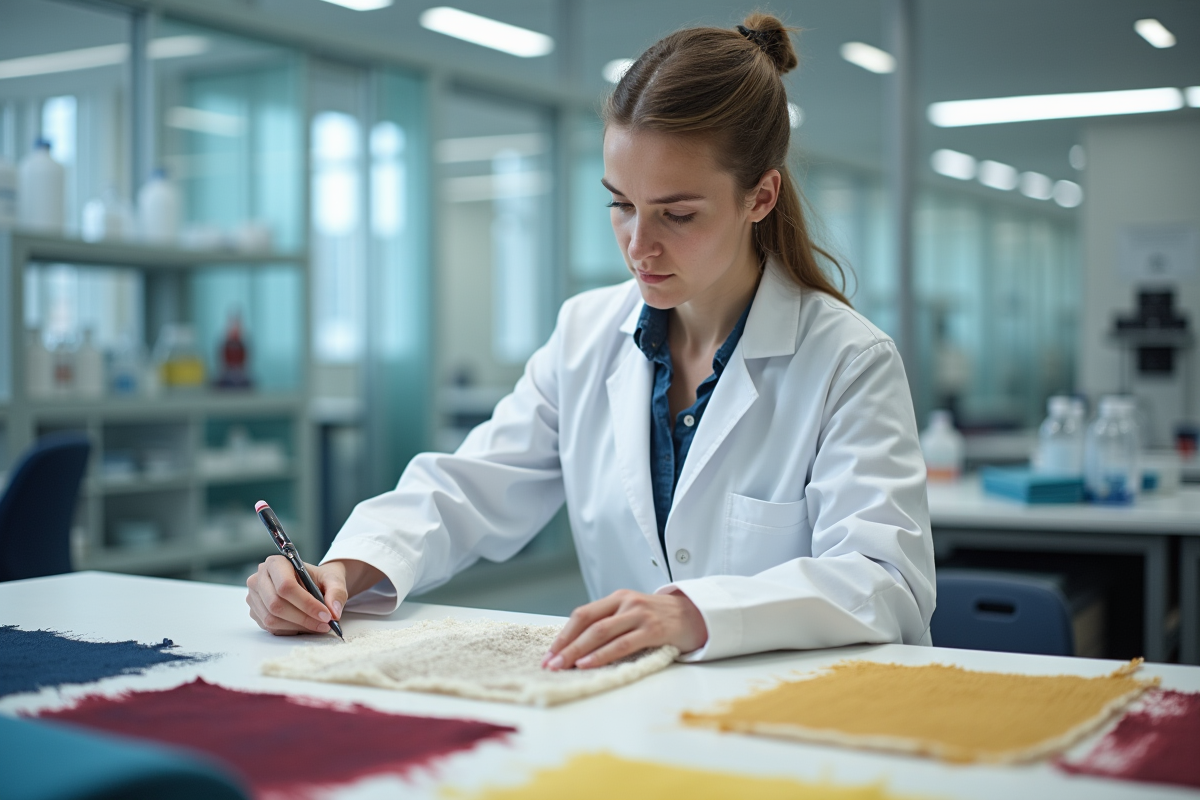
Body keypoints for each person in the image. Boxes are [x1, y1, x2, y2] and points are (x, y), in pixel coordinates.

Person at [246, 13, 935, 669]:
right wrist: (341, 569)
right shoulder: (586, 333)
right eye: (621, 204)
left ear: (760, 198)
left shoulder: (849, 360)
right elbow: (470, 489)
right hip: (632, 709)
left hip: (802, 726)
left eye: (678, 213)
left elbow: (883, 582)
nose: (640, 245)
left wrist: (694, 614)